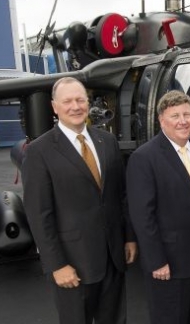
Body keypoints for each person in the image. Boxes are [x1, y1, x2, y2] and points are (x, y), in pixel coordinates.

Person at [22, 77, 137, 324]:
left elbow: (120, 196)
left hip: (113, 258)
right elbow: (39, 214)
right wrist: (57, 265)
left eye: (80, 99)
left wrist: (128, 237)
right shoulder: (38, 151)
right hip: (73, 263)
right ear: (54, 107)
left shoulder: (107, 142)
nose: (75, 106)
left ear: (88, 102)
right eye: (67, 101)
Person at [126, 90, 190, 324]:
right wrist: (156, 260)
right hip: (169, 263)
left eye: (187, 114)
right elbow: (142, 215)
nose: (183, 121)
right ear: (161, 120)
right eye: (175, 116)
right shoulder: (144, 158)